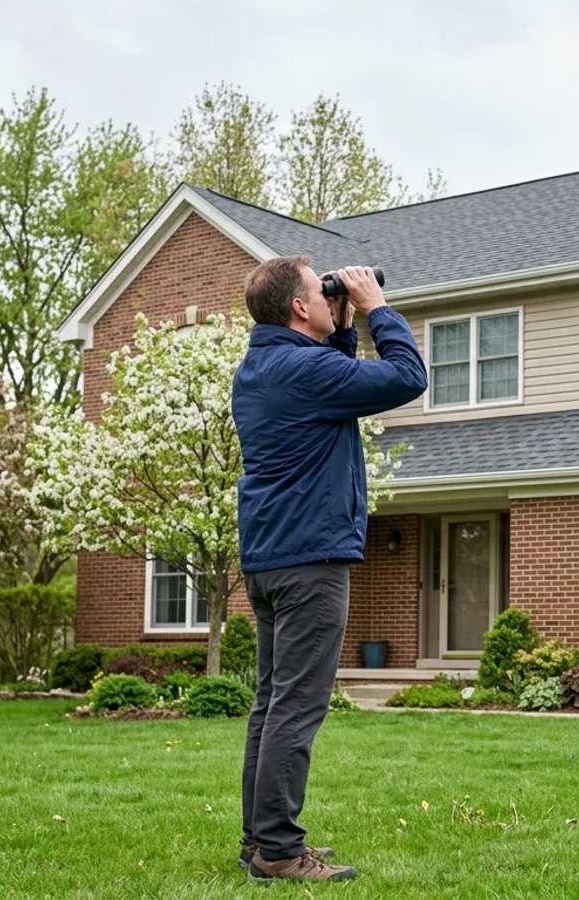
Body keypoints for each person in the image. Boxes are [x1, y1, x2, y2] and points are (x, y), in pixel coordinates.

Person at [232, 258, 426, 882]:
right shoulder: (306, 369)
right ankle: (281, 853)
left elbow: (333, 381)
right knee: (297, 706)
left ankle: (260, 842)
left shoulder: (261, 367)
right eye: (323, 289)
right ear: (296, 307)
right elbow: (406, 378)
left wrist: (339, 322)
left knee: (271, 703)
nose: (331, 293)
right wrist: (374, 309)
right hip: (310, 559)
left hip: (270, 559)